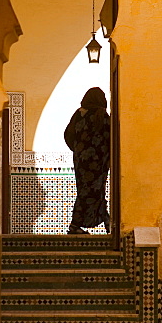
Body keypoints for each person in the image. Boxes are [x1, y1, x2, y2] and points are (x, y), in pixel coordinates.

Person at [64, 87, 111, 235]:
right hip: (99, 162)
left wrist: (78, 150)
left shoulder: (79, 114)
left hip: (82, 161)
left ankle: (104, 220)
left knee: (84, 191)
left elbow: (68, 135)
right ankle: (78, 224)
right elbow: (110, 136)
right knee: (97, 190)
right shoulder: (102, 115)